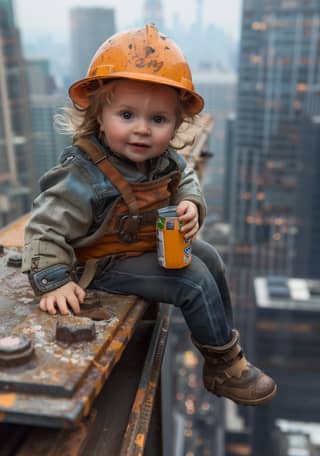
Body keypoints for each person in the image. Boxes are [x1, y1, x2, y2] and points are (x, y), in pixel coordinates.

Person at [22, 24, 276, 406]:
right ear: (98, 115)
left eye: (158, 120)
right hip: (100, 263)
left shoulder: (162, 160)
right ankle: (223, 365)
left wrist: (191, 202)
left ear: (174, 125)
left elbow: (184, 174)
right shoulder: (84, 173)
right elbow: (44, 225)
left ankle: (224, 346)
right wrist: (53, 281)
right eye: (127, 114)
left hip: (137, 250)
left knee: (210, 257)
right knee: (191, 281)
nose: (142, 130)